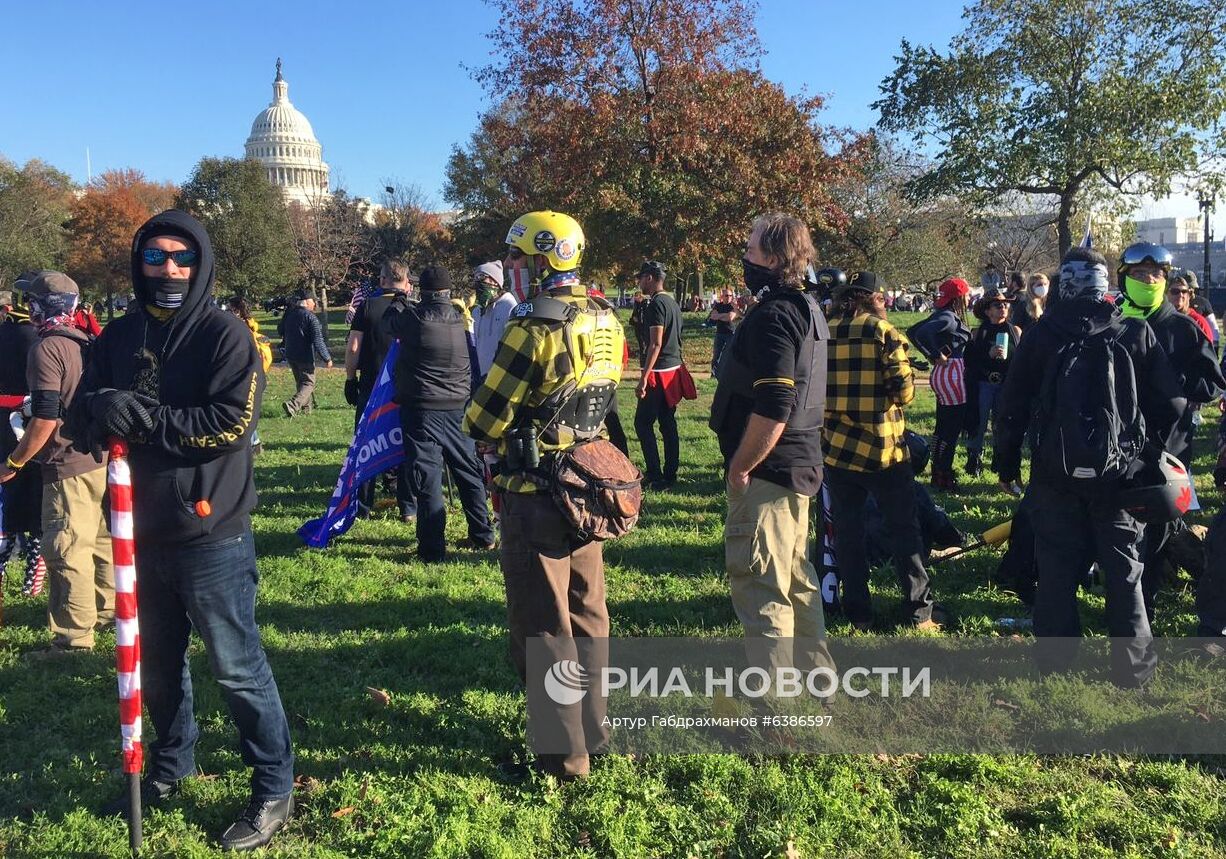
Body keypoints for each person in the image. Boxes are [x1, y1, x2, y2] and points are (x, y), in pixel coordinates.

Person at [72, 211, 294, 849]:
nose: (168, 269)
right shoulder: (115, 337)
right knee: (159, 666)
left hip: (210, 531)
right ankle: (170, 767)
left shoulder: (226, 336)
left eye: (181, 258)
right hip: (137, 529)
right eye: (155, 257)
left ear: (200, 265)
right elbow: (86, 416)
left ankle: (272, 786)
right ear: (138, 263)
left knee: (236, 666)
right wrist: (97, 407)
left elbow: (229, 425)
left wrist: (143, 421)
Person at [465, 209, 626, 780]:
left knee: (543, 627)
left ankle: (563, 758)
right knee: (588, 613)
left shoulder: (532, 329)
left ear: (542, 260)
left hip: (535, 493)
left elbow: (483, 420)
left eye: (518, 257)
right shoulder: (607, 317)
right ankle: (597, 731)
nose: (511, 266)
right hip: (588, 487)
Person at [994, 247, 1184, 688]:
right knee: (1124, 570)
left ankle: (1056, 665)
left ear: (1064, 285)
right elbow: (1172, 404)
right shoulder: (1135, 331)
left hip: (1053, 473)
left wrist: (1007, 464)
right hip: (1121, 477)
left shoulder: (1042, 334)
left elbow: (1012, 406)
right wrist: (1146, 452)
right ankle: (1134, 671)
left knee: (1057, 567)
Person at [709, 212, 838, 658]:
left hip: (770, 469)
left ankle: (775, 712)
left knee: (762, 587)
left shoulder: (776, 315)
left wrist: (742, 466)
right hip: (800, 464)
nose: (744, 258)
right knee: (797, 580)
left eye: (750, 250)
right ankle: (816, 685)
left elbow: (776, 405)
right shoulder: (807, 307)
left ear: (775, 256)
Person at [0, 272, 114, 657]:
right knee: (99, 542)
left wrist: (14, 462)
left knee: (66, 548)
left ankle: (73, 639)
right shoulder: (85, 341)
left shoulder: (45, 349)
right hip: (97, 458)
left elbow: (46, 417)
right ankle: (106, 610)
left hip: (66, 463)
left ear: (39, 306)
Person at [822, 271, 942, 631]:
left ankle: (858, 610)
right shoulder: (884, 333)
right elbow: (903, 393)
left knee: (848, 532)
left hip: (839, 449)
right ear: (873, 298)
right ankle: (919, 612)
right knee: (904, 530)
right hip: (883, 449)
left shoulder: (824, 330)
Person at [1116, 242, 1225, 624]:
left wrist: (1172, 379)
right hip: (1119, 446)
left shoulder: (1182, 327)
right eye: (1139, 274)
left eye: (1155, 274)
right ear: (1124, 278)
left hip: (1169, 449)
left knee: (1159, 529)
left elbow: (1212, 384)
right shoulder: (1112, 323)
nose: (1148, 280)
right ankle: (1123, 591)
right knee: (1119, 524)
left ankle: (1150, 594)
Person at [389, 265, 495, 562]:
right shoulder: (459, 318)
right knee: (468, 473)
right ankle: (483, 535)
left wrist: (399, 298)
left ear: (422, 291)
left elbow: (389, 323)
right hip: (459, 405)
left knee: (428, 479)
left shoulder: (414, 317)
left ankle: (432, 549)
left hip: (423, 409)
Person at [345, 259, 416, 521]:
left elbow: (353, 347)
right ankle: (408, 506)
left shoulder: (367, 306)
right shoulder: (411, 309)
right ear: (406, 283)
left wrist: (350, 379)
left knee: (366, 444)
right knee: (406, 446)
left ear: (382, 280)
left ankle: (362, 505)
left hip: (372, 386)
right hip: (404, 386)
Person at [0, 278, 46, 596]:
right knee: (21, 505)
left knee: (25, 503)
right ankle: (27, 575)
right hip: (18, 425)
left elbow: (36, 395)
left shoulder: (23, 334)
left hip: (21, 427)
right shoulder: (28, 333)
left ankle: (31, 576)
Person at [908, 277, 971, 491]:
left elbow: (912, 331)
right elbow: (921, 333)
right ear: (959, 298)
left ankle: (939, 470)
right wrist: (934, 354)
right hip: (952, 373)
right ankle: (944, 473)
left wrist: (931, 355)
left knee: (943, 428)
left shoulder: (942, 314)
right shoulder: (950, 317)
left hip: (945, 373)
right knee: (950, 429)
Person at [633, 260, 684, 490]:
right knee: (667, 423)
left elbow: (655, 343)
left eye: (641, 277)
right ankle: (670, 474)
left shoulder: (655, 305)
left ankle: (654, 473)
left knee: (642, 423)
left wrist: (644, 377)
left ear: (651, 278)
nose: (640, 282)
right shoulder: (672, 303)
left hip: (659, 372)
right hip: (673, 369)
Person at [963, 287, 1020, 478]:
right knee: (978, 422)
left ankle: (999, 459)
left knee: (1001, 423)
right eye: (998, 305)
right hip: (983, 384)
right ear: (988, 311)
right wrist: (987, 355)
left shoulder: (1015, 331)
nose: (1003, 307)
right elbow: (969, 362)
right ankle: (974, 459)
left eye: (1005, 304)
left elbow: (1021, 360)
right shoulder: (978, 333)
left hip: (1006, 386)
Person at [227, 297, 272, 456]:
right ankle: (254, 441)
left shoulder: (238, 329)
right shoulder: (251, 327)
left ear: (237, 310)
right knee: (246, 410)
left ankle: (253, 442)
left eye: (230, 308)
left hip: (244, 375)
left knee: (243, 411)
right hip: (257, 374)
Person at [278, 290, 332, 417]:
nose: (315, 305)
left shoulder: (290, 314)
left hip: (290, 354)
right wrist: (327, 358)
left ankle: (306, 410)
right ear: (307, 302)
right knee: (308, 383)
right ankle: (293, 405)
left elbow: (280, 330)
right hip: (305, 355)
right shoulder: (310, 317)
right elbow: (318, 340)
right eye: (314, 302)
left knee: (301, 382)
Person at [472, 261, 516, 382]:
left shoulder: (511, 307)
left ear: (495, 282)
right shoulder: (476, 311)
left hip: (500, 379)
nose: (477, 282)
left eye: (481, 277)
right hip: (478, 377)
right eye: (475, 278)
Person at [1168, 270, 1214, 342]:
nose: (1180, 295)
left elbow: (1208, 351)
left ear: (1189, 294)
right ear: (1166, 294)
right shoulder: (1161, 319)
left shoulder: (1198, 322)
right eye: (1175, 291)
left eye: (1184, 291)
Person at [707, 285, 739, 373]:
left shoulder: (734, 306)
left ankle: (728, 373)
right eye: (726, 295)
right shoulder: (718, 306)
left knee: (729, 354)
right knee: (716, 354)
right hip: (719, 333)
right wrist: (724, 315)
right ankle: (714, 373)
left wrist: (719, 316)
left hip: (730, 333)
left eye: (730, 295)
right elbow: (713, 316)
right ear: (722, 296)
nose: (728, 297)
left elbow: (730, 317)